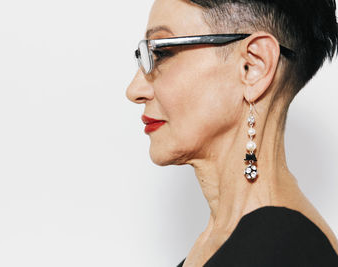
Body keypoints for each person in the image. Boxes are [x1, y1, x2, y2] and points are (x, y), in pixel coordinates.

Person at [126, 0, 338, 266]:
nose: (134, 90)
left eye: (162, 52)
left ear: (253, 66)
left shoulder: (283, 250)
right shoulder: (224, 245)